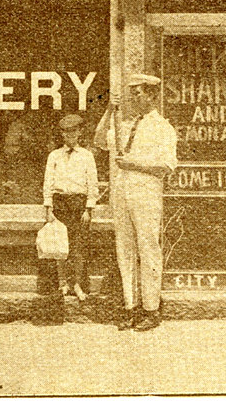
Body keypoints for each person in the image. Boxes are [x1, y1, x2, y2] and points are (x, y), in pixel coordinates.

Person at [94, 74, 178, 332]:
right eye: (131, 94)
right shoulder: (126, 125)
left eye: (138, 94)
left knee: (148, 247)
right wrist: (109, 111)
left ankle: (150, 309)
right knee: (125, 248)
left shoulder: (162, 127)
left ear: (152, 96)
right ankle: (130, 306)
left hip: (146, 194)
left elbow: (166, 167)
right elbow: (99, 141)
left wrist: (134, 165)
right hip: (122, 193)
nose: (133, 99)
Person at [43, 114, 99, 302]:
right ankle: (62, 283)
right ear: (62, 134)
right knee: (60, 246)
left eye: (73, 131)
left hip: (78, 204)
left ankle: (77, 283)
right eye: (66, 132)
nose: (70, 135)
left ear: (80, 132)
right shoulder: (54, 156)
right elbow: (48, 182)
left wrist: (88, 209)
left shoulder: (86, 156)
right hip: (60, 203)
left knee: (78, 247)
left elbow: (93, 184)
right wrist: (48, 207)